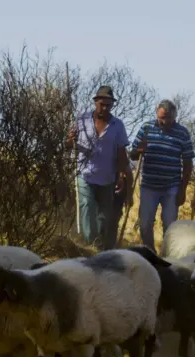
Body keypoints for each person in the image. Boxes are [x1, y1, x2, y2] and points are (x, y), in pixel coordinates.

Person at [66, 85, 132, 250]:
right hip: (84, 174)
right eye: (102, 104)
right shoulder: (81, 119)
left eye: (108, 105)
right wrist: (69, 139)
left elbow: (121, 152)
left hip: (107, 177)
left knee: (104, 216)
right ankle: (91, 246)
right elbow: (68, 145)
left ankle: (100, 246)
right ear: (95, 102)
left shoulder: (118, 125)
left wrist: (122, 175)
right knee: (87, 206)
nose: (104, 108)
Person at [129, 99, 195, 251]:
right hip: (148, 185)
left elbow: (187, 163)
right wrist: (139, 150)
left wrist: (183, 189)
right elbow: (132, 155)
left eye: (168, 118)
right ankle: (150, 254)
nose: (164, 122)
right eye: (161, 118)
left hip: (172, 186)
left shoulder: (182, 133)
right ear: (156, 114)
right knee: (145, 223)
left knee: (170, 224)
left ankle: (167, 255)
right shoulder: (146, 128)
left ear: (174, 116)